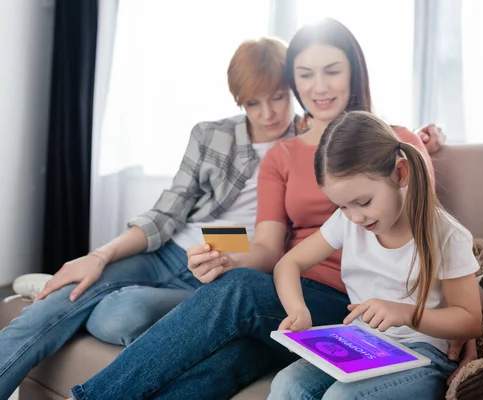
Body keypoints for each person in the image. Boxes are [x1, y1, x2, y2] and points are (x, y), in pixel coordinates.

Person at [67, 18, 453, 400]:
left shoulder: (397, 142)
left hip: (358, 306)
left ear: (355, 71)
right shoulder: (281, 155)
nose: (318, 87)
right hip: (290, 299)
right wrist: (227, 263)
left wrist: (455, 324)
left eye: (332, 71)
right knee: (225, 362)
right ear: (294, 82)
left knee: (238, 291)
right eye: (305, 75)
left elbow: (427, 234)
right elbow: (269, 249)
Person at [0, 36, 307, 400]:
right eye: (254, 103)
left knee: (117, 317)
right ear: (240, 101)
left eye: (278, 97)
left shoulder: (307, 142)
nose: (268, 113)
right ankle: (79, 289)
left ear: (294, 90)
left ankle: (99, 295)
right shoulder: (211, 135)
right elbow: (167, 211)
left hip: (220, 274)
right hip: (171, 251)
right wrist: (99, 256)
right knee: (56, 304)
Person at [268, 110, 481, 399]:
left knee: (342, 398)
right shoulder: (348, 222)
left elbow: (469, 320)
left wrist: (406, 314)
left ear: (400, 174)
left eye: (363, 202)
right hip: (361, 343)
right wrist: (298, 311)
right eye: (342, 206)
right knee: (287, 384)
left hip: (424, 353)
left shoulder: (446, 235)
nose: (355, 217)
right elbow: (288, 264)